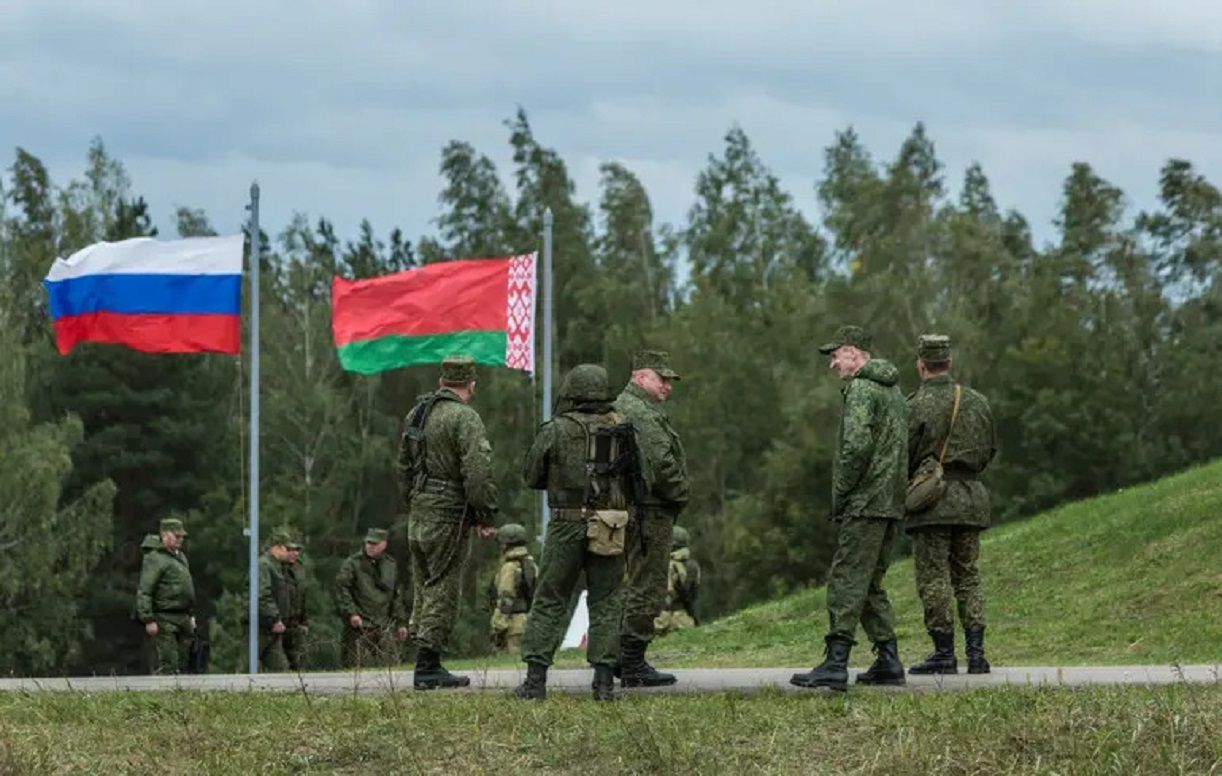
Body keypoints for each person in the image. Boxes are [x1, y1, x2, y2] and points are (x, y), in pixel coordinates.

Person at [515, 364, 643, 700]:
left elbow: (531, 476)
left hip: (565, 523)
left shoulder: (555, 429)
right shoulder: (622, 429)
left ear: (571, 391)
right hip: (610, 525)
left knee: (550, 599)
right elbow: (639, 479)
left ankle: (535, 681)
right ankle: (603, 683)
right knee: (607, 600)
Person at [792, 325, 907, 692]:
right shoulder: (894, 392)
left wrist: (841, 493)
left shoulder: (860, 389)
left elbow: (856, 448)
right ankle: (888, 660)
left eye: (836, 355)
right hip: (891, 502)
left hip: (866, 501)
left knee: (845, 578)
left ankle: (835, 662)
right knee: (870, 581)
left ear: (855, 353)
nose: (832, 365)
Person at [398, 355, 499, 690]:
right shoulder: (464, 418)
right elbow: (478, 471)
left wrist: (412, 502)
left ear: (442, 382)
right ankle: (428, 667)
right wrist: (484, 513)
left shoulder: (418, 413)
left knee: (423, 584)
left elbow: (403, 466)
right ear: (471, 384)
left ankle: (424, 657)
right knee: (443, 585)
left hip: (419, 510)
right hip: (447, 513)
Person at [905, 334, 999, 675]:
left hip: (932, 502)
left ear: (920, 364)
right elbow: (989, 450)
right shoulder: (977, 401)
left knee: (934, 577)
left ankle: (944, 653)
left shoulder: (914, 405)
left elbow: (905, 454)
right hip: (971, 498)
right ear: (949, 362)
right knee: (968, 576)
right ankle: (977, 654)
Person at [612, 350, 689, 687]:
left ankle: (617, 655)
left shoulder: (622, 406)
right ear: (640, 377)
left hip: (629, 507)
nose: (667, 386)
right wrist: (680, 492)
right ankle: (632, 662)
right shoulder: (639, 411)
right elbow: (660, 461)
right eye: (662, 379)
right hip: (649, 508)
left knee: (629, 582)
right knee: (649, 583)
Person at [334, 528, 408, 668]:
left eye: (374, 544)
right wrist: (352, 613)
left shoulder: (390, 565)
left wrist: (401, 622)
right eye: (368, 543)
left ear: (384, 545)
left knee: (391, 667)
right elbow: (342, 589)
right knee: (354, 667)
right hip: (360, 624)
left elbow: (396, 596)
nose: (370, 547)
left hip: (383, 623)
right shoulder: (353, 564)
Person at [135, 517, 196, 674]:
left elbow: (185, 588)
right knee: (169, 662)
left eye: (182, 536)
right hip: (165, 617)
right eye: (177, 536)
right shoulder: (155, 558)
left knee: (185, 661)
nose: (180, 540)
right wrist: (148, 619)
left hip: (184, 617)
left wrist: (190, 614)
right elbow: (145, 590)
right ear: (165, 535)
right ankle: (166, 691)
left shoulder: (180, 557)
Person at [487, 523, 536, 654]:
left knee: (510, 666)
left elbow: (506, 599)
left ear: (505, 545)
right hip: (528, 621)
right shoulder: (530, 563)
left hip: (511, 626)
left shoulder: (509, 567)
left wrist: (497, 627)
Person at [257, 528, 293, 671]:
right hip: (260, 626)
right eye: (286, 548)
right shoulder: (264, 565)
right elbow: (262, 594)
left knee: (282, 671)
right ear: (277, 547)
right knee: (247, 667)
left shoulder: (276, 566)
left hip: (271, 628)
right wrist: (275, 618)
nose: (289, 552)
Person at [654, 525, 700, 636]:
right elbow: (693, 595)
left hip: (660, 620)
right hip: (685, 620)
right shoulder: (693, 566)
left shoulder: (661, 564)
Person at [281, 531, 310, 671]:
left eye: (297, 550)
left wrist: (305, 622)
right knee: (279, 668)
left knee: (300, 666)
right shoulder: (273, 568)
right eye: (290, 549)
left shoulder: (300, 568)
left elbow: (303, 597)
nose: (294, 553)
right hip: (278, 625)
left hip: (296, 625)